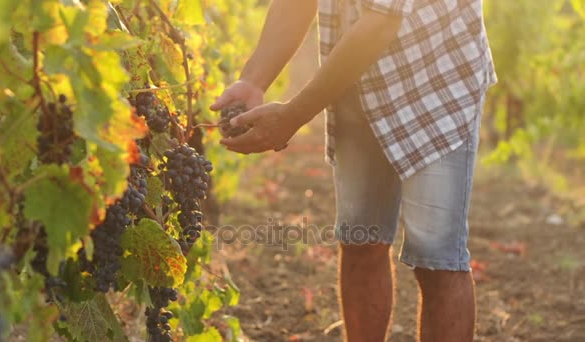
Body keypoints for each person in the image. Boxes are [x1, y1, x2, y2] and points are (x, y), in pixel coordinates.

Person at [211, 0, 496, 341]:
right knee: (361, 239)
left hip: (434, 82)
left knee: (436, 258)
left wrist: (292, 117)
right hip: (355, 79)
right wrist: (253, 81)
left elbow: (380, 22)